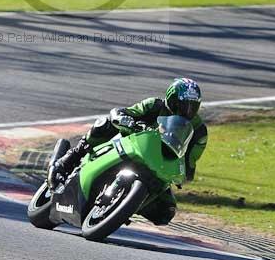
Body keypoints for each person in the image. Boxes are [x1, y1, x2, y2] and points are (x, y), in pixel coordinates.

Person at [48, 77, 208, 225]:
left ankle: (123, 205)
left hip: (159, 165)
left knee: (166, 213)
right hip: (131, 145)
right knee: (105, 123)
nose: (186, 111)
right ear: (170, 99)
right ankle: (69, 158)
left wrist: (184, 173)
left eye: (192, 107)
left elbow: (190, 161)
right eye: (181, 105)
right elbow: (123, 112)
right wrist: (129, 121)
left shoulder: (199, 130)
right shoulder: (154, 105)